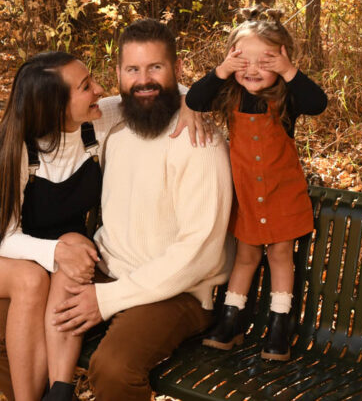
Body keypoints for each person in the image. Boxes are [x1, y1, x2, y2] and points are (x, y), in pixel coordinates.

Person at [0, 49, 207, 401]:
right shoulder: (15, 147)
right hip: (13, 254)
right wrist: (56, 251)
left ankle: (58, 392)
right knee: (32, 279)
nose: (99, 89)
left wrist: (193, 103)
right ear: (54, 105)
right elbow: (5, 237)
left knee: (71, 250)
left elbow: (156, 92)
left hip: (56, 255)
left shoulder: (96, 120)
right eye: (85, 86)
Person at [52, 19, 234, 400]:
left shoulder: (199, 142)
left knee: (114, 369)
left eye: (156, 67)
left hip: (179, 292)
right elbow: (55, 115)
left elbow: (199, 255)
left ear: (178, 69)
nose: (144, 81)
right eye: (133, 70)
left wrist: (107, 300)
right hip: (109, 271)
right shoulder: (113, 125)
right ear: (118, 74)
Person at [185, 6, 327, 360]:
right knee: (246, 256)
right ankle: (230, 322)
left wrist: (288, 71)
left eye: (266, 62)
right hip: (247, 195)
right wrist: (221, 70)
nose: (253, 70)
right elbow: (194, 99)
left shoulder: (287, 97)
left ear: (282, 62)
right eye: (242, 61)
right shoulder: (229, 94)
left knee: (280, 255)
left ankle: (280, 327)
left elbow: (318, 102)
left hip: (282, 193)